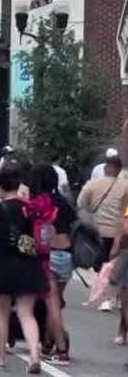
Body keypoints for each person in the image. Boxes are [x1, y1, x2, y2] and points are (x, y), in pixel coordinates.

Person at [0, 162, 46, 373]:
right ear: (19, 185)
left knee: (1, 314)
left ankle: (1, 357)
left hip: (1, 265)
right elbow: (37, 237)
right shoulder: (29, 208)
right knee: (27, 314)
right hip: (27, 263)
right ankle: (34, 357)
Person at [28, 165, 72, 366]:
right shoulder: (63, 202)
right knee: (54, 303)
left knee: (52, 305)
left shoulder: (37, 204)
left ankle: (62, 350)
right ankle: (47, 343)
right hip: (66, 257)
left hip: (49, 256)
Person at [77, 155, 128, 314]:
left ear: (106, 168)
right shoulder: (126, 186)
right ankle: (116, 297)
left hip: (97, 231)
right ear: (119, 169)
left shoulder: (92, 185)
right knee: (117, 267)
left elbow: (80, 204)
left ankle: (107, 298)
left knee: (102, 266)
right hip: (119, 232)